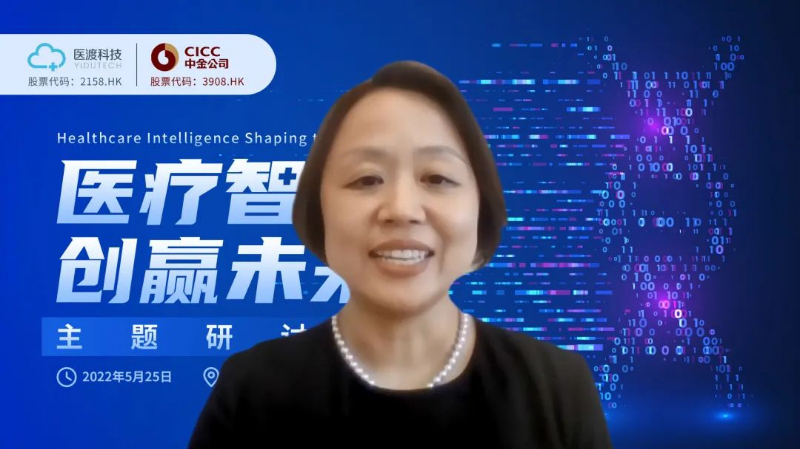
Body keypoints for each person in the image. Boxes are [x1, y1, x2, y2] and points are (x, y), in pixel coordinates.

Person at [188, 60, 613, 448]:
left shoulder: (556, 387)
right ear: (319, 209)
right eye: (366, 179)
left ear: (480, 206)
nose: (402, 210)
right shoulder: (251, 389)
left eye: (437, 178)